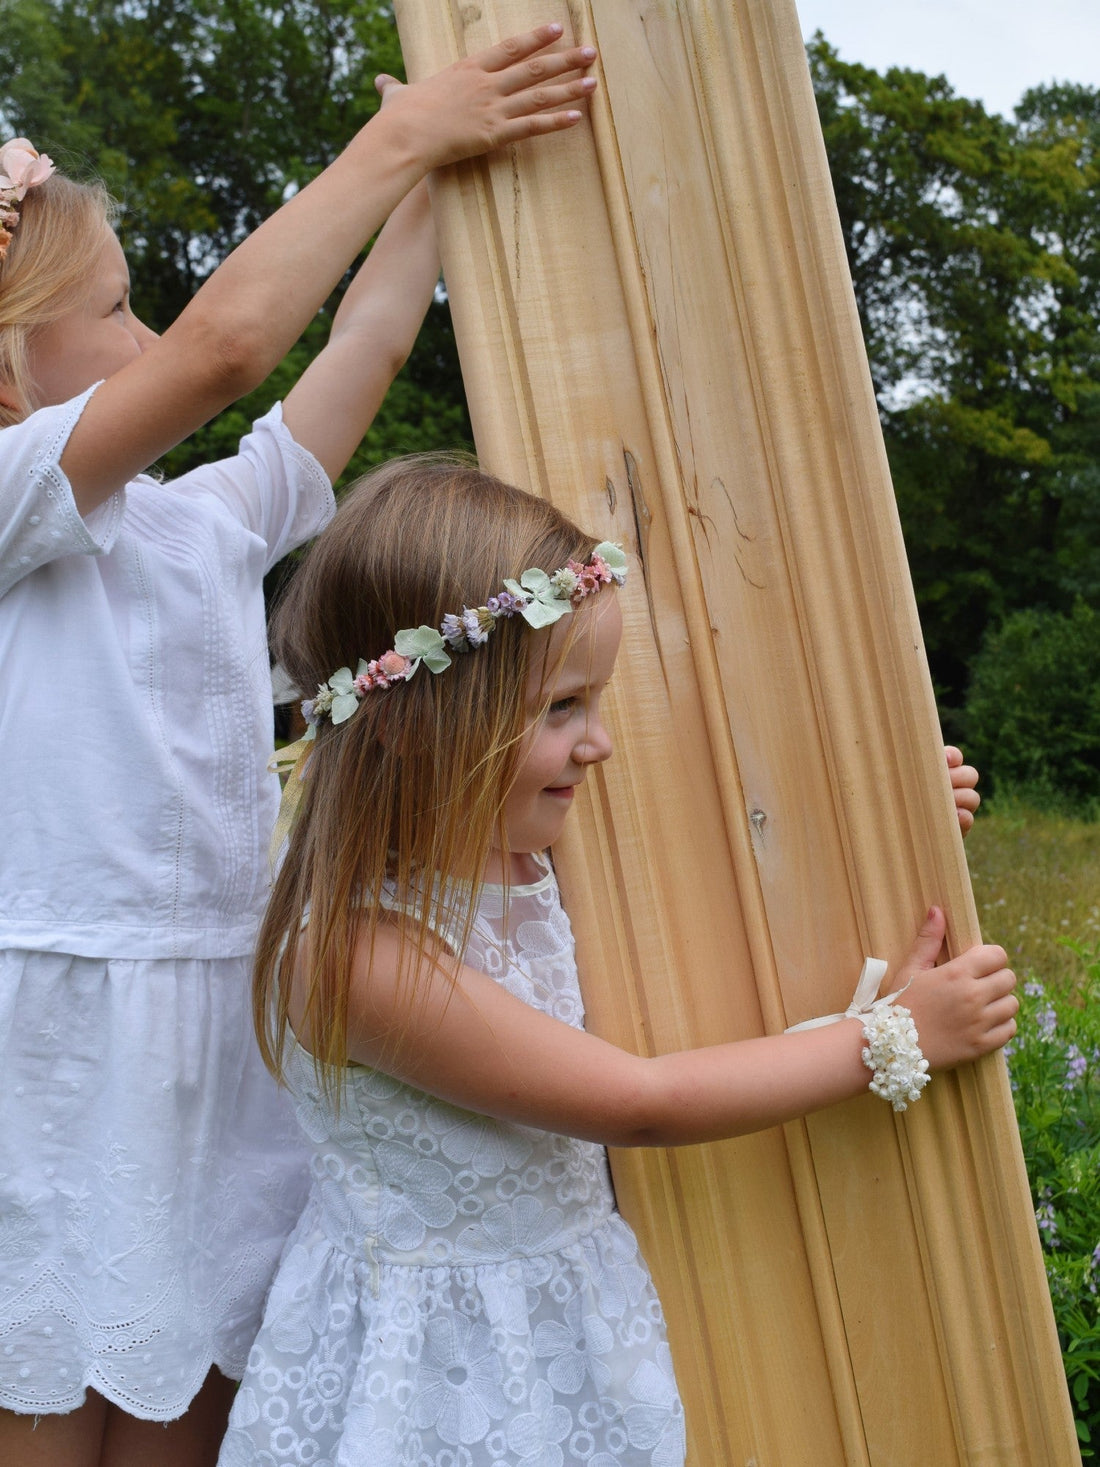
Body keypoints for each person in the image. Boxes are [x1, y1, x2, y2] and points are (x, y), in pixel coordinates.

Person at [0, 26, 600, 1467]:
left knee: (204, 1373)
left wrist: (439, 169)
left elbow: (364, 341)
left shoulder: (206, 518)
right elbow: (229, 343)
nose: (151, 338)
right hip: (74, 1026)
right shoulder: (13, 494)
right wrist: (391, 142)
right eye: (117, 309)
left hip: (227, 1002)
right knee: (48, 1392)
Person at [217, 456, 1018, 1467]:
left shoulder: (508, 853)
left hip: (557, 1325)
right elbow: (639, 1101)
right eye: (562, 710)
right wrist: (892, 1039)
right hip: (444, 1373)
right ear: (426, 727)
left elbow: (716, 873)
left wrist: (880, 826)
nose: (598, 744)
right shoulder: (361, 960)